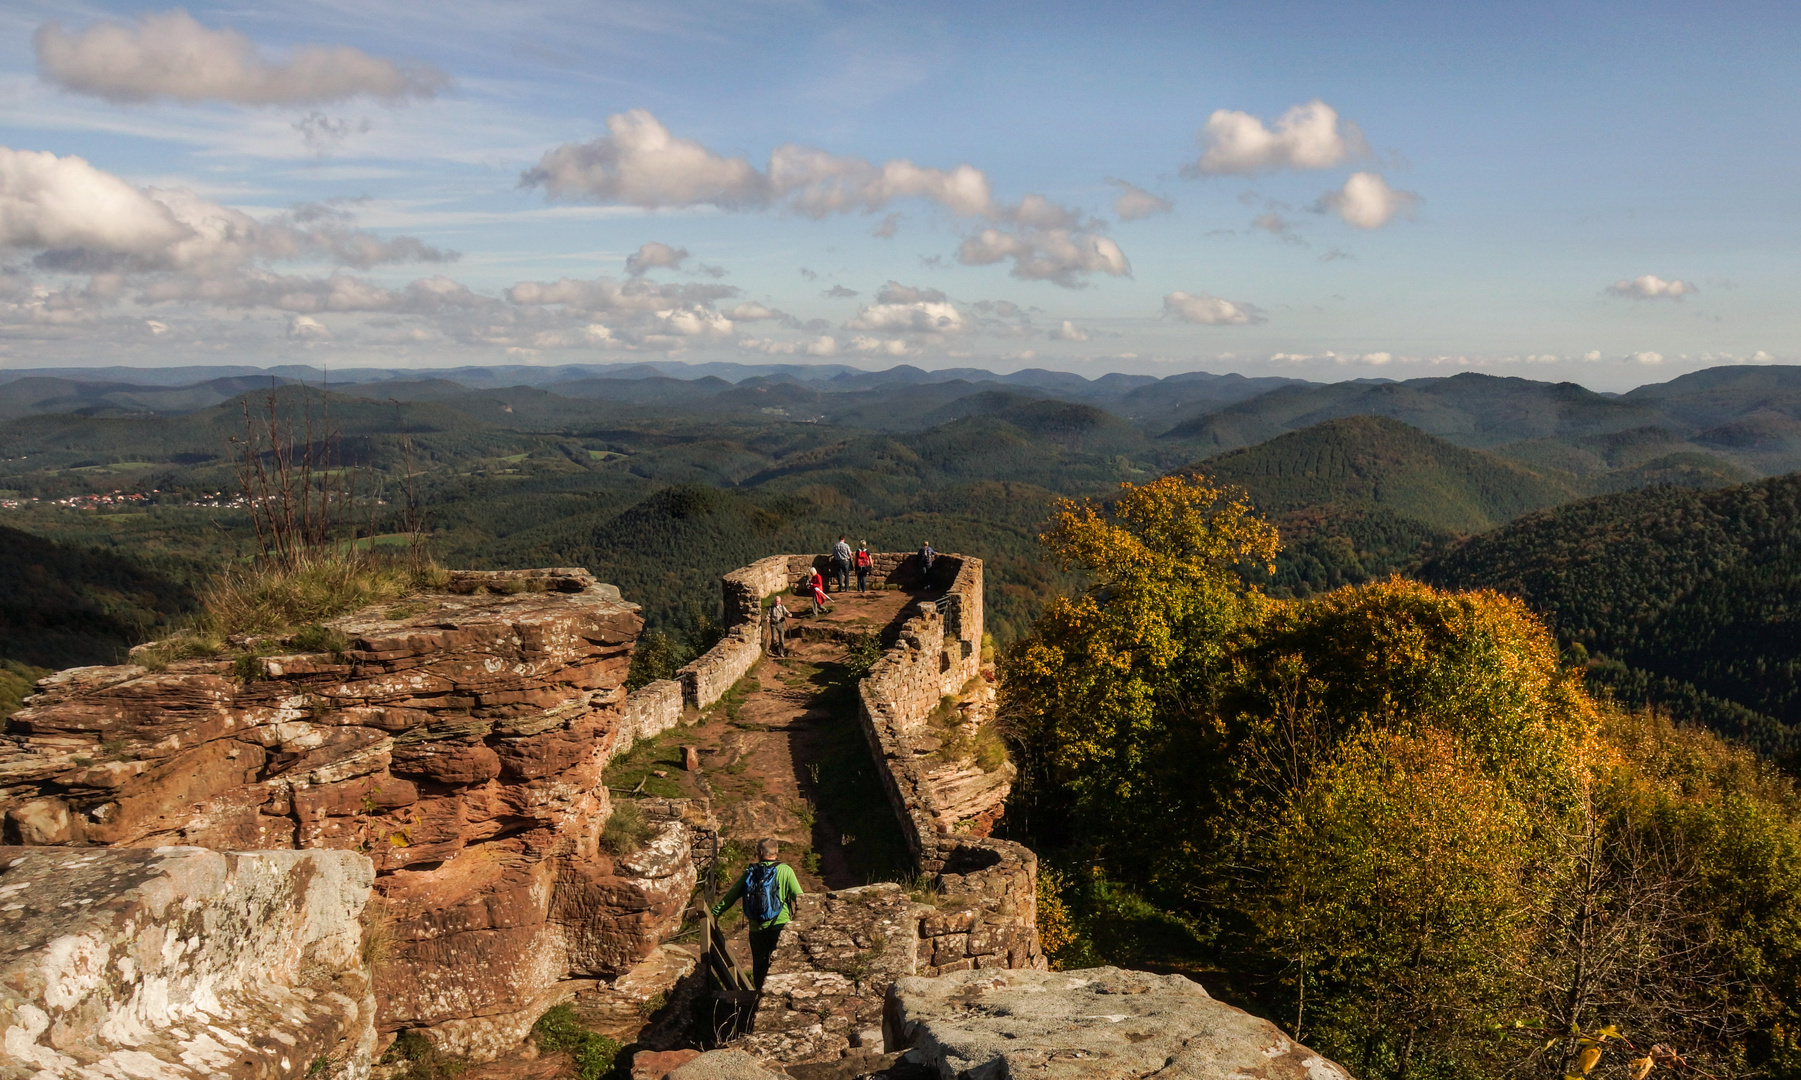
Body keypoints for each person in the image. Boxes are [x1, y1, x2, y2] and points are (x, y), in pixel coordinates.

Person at [710, 838, 804, 989]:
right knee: (779, 964)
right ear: (776, 852)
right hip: (780, 925)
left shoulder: (751, 872)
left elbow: (733, 894)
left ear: (760, 853)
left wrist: (716, 912)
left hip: (756, 928)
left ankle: (759, 995)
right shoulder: (786, 870)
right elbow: (800, 898)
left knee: (760, 965)